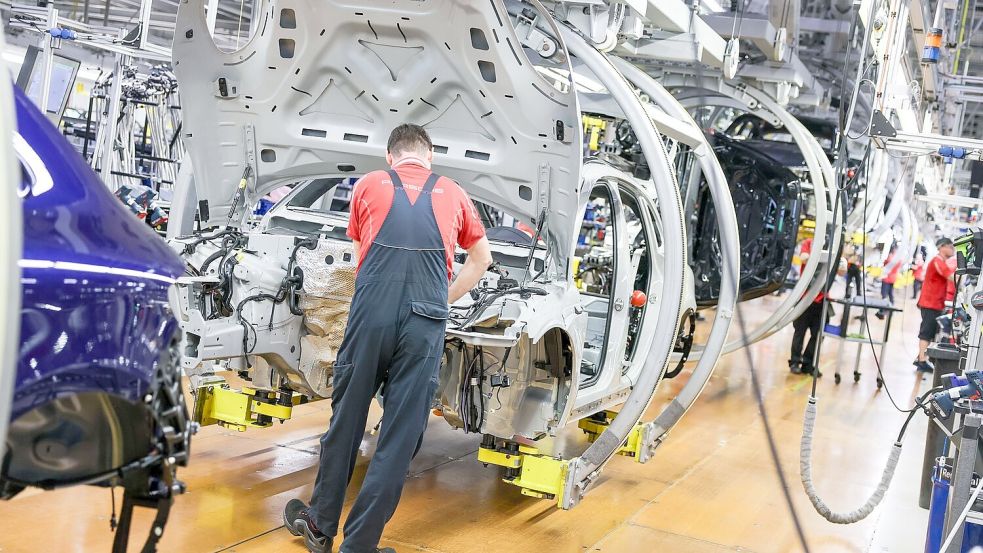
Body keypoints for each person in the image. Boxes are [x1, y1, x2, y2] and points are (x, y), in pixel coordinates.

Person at [283, 124, 493, 553]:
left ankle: (320, 527)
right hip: (426, 319)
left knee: (347, 419)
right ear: (430, 156)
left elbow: (361, 245)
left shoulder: (369, 184)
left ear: (390, 156)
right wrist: (440, 298)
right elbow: (482, 260)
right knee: (399, 437)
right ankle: (359, 546)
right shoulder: (454, 192)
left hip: (372, 314)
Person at [915, 237, 957, 373]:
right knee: (926, 332)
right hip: (930, 303)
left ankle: (921, 357)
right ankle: (921, 361)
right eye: (951, 247)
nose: (953, 250)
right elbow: (950, 276)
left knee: (930, 331)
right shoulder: (937, 261)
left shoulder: (942, 261)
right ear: (942, 247)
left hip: (935, 303)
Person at [789, 237, 824, 375]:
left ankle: (808, 363)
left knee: (818, 334)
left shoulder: (832, 243)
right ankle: (795, 361)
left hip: (821, 299)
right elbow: (803, 258)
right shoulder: (809, 242)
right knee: (800, 331)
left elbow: (841, 269)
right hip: (805, 297)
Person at [875, 245, 900, 319]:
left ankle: (882, 311)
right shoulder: (898, 259)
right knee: (890, 295)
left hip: (887, 278)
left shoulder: (892, 258)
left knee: (884, 295)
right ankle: (890, 310)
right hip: (892, 279)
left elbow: (886, 263)